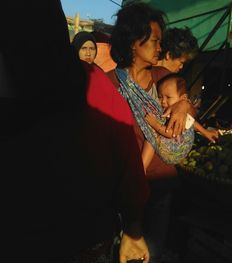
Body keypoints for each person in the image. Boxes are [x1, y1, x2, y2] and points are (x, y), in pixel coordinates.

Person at [1, 1, 150, 262]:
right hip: (82, 235)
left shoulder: (94, 80)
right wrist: (133, 226)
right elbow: (127, 153)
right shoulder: (93, 79)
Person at [106, 3, 195, 262]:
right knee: (119, 252)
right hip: (123, 187)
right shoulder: (111, 83)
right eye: (155, 41)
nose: (160, 47)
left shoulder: (162, 76)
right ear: (134, 42)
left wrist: (184, 105)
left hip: (160, 184)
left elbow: (186, 107)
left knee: (151, 254)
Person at [142, 73, 219, 171]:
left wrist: (154, 124)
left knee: (150, 134)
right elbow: (193, 123)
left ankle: (142, 168)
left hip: (175, 151)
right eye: (160, 97)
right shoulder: (170, 110)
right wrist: (206, 132)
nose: (163, 101)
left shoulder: (179, 115)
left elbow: (171, 134)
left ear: (182, 98)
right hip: (174, 147)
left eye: (168, 97)